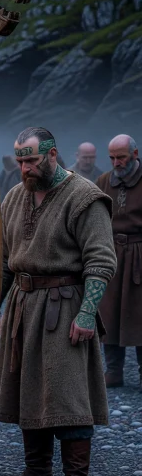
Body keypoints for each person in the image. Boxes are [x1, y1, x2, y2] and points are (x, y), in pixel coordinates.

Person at [0, 126, 115, 476]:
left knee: (68, 394)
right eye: (20, 161)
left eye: (31, 160)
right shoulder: (15, 197)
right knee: (28, 387)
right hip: (23, 305)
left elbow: (101, 261)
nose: (25, 168)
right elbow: (5, 263)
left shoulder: (84, 198)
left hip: (65, 305)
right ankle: (37, 473)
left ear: (52, 154)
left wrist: (87, 313)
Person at [98, 134, 141, 387]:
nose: (116, 163)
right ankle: (113, 371)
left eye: (121, 157)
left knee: (140, 313)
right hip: (111, 253)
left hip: (139, 255)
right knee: (109, 312)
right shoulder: (104, 181)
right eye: (112, 158)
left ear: (135, 154)